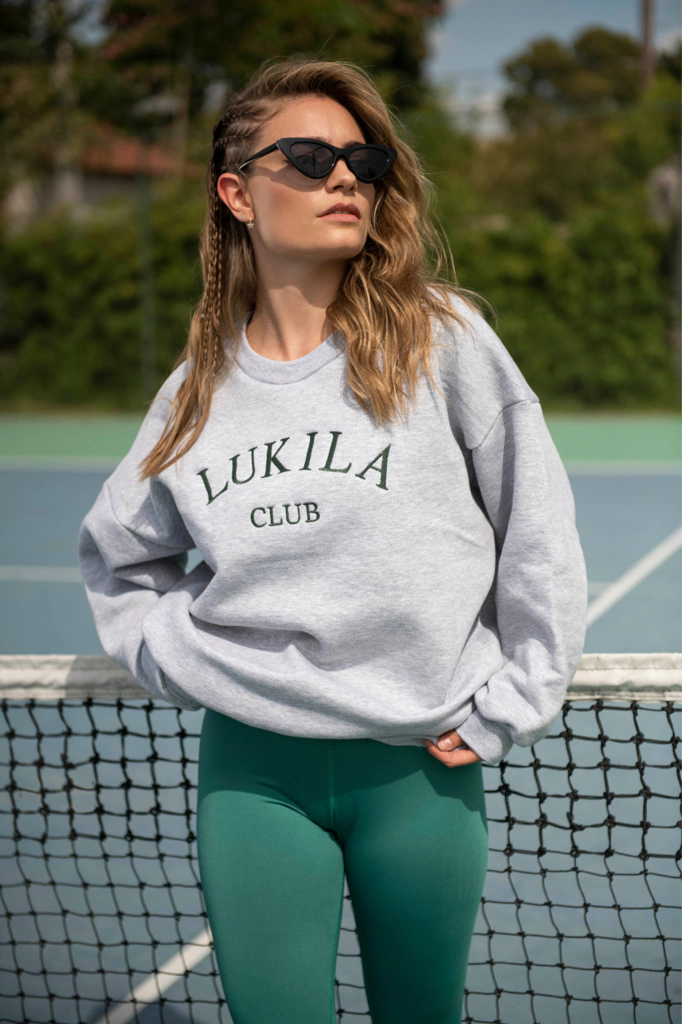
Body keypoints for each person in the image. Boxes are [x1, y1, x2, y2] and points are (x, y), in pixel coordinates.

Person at [77, 55, 588, 1024]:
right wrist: (175, 652)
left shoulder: (441, 339)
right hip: (254, 775)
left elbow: (538, 525)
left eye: (364, 159)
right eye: (310, 158)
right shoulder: (195, 392)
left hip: (419, 767)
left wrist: (517, 698)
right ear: (236, 193)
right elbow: (120, 557)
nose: (344, 176)